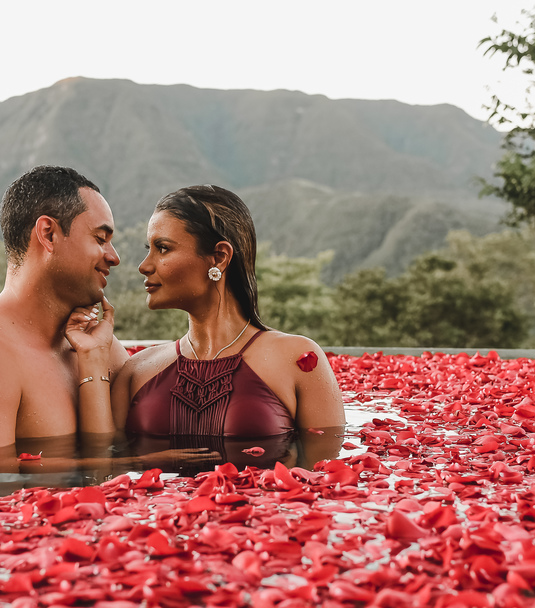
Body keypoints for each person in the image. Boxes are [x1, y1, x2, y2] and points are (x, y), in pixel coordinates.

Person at [66, 184, 344, 463]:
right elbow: (99, 469)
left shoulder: (298, 359)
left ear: (220, 257)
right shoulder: (136, 372)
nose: (144, 265)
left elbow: (326, 479)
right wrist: (91, 355)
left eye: (162, 248)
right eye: (148, 249)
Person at [0, 165, 129, 462]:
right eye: (100, 238)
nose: (114, 257)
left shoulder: (97, 347)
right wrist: (142, 463)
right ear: (48, 234)